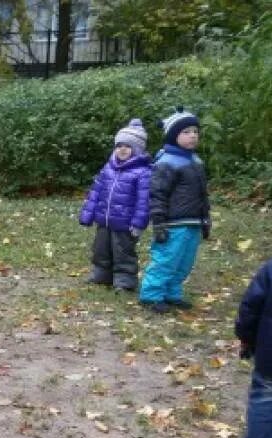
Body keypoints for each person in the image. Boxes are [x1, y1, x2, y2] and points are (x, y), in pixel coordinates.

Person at [138, 107, 210, 313]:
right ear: (173, 135)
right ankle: (151, 295)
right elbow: (157, 195)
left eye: (195, 131)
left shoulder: (196, 161)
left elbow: (203, 195)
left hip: (193, 222)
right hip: (173, 223)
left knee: (184, 261)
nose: (193, 136)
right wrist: (159, 222)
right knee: (166, 259)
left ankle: (172, 293)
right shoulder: (166, 162)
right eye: (186, 132)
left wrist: (205, 219)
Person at [78, 118, 152, 291]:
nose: (122, 149)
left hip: (125, 223)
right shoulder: (108, 168)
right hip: (104, 219)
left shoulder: (143, 172)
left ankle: (125, 280)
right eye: (119, 146)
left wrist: (138, 223)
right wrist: (87, 215)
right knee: (101, 249)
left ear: (137, 149)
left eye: (127, 146)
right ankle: (101, 274)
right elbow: (96, 192)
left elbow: (144, 201)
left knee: (123, 252)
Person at [235, 257, 272, 438]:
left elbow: (250, 307)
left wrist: (246, 337)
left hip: (271, 354)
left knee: (265, 399)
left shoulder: (271, 269)